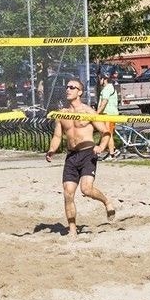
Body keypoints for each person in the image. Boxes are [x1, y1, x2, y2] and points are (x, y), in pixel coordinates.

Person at [45, 76, 115, 235]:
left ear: (80, 92)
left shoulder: (88, 112)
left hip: (87, 154)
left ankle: (106, 201)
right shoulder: (62, 114)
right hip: (71, 156)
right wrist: (52, 150)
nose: (68, 89)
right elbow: (57, 137)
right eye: (67, 87)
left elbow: (106, 132)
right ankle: (72, 230)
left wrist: (101, 146)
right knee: (68, 193)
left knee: (86, 189)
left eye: (72, 87)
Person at [97, 69, 119, 157]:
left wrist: (96, 113)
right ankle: (113, 149)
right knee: (107, 133)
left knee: (108, 134)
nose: (99, 81)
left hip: (108, 115)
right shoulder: (109, 87)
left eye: (100, 79)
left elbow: (104, 103)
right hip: (108, 115)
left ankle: (112, 154)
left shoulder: (107, 89)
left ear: (104, 79)